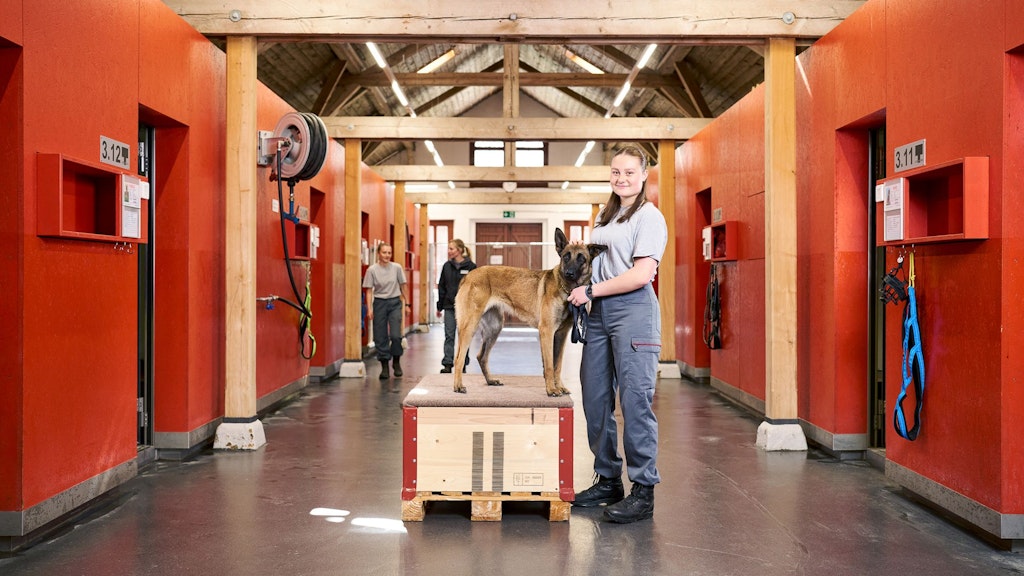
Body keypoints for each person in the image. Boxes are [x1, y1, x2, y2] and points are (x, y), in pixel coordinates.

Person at [566, 143, 668, 524]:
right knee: (595, 399)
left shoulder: (649, 217)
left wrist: (591, 291)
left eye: (629, 172)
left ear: (643, 176)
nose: (621, 178)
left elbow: (642, 273)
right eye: (615, 172)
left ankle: (643, 490)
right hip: (599, 313)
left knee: (636, 401)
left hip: (634, 311)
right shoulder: (604, 216)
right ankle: (608, 479)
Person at [363, 242, 409, 380]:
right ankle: (384, 366)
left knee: (395, 335)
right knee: (380, 335)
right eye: (384, 252)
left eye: (389, 253)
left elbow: (403, 286)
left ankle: (396, 361)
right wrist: (369, 308)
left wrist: (407, 304)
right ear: (378, 253)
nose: (387, 255)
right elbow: (369, 290)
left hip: (395, 302)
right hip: (379, 303)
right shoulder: (372, 270)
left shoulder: (397, 268)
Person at [436, 239, 477, 373]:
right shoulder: (446, 266)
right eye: (448, 248)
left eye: (451, 249)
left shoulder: (471, 267)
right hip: (449, 306)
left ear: (459, 250)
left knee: (464, 335)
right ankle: (447, 364)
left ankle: (462, 363)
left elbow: (476, 288)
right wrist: (439, 306)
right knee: (449, 335)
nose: (449, 251)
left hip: (466, 308)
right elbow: (442, 286)